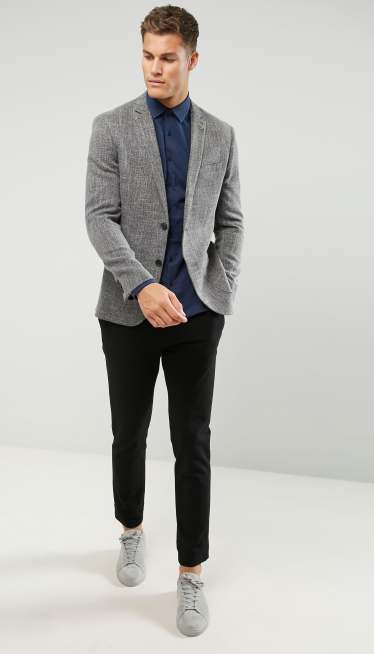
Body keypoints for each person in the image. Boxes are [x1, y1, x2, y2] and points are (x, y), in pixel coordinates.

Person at [84, 4, 244, 637]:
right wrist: (142, 285)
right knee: (129, 433)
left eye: (168, 57)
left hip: (197, 314)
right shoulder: (111, 127)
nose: (155, 67)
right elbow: (99, 217)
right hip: (128, 312)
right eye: (147, 55)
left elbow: (231, 222)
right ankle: (131, 530)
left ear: (192, 60)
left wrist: (221, 287)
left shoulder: (220, 135)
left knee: (192, 443)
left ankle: (191, 574)